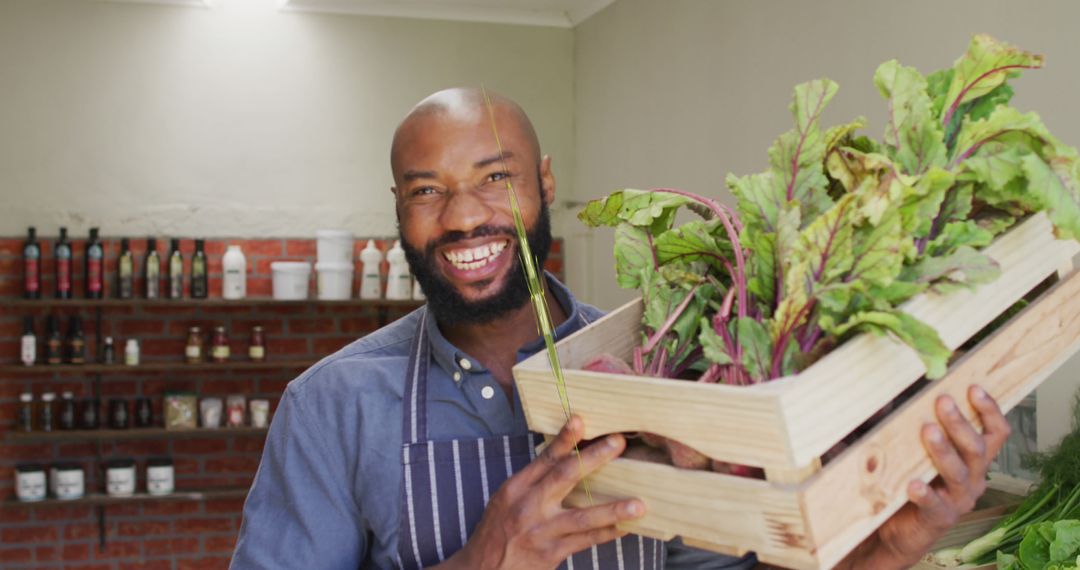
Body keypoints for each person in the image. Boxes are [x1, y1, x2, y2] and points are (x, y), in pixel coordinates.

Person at [231, 88, 1011, 570]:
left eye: (495, 178)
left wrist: (889, 551)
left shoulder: (663, 373)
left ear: (547, 183)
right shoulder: (329, 406)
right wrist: (479, 562)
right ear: (397, 209)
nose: (463, 216)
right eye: (426, 190)